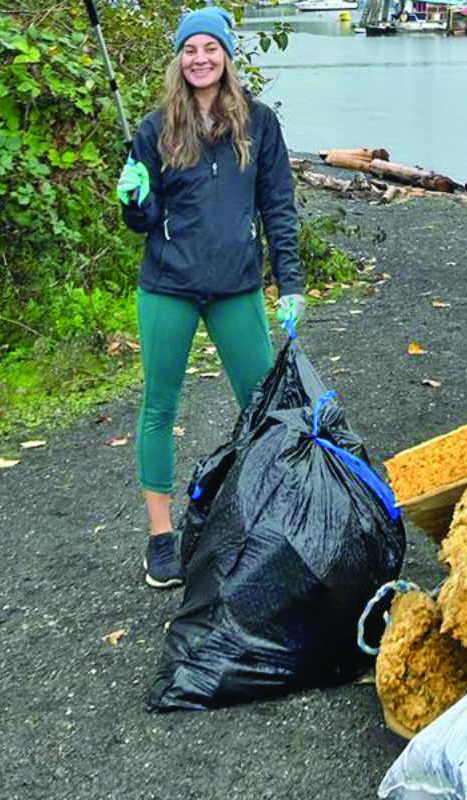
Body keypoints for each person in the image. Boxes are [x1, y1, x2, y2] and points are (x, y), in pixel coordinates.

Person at [114, 7, 304, 589]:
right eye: (190, 49)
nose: (200, 58)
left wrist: (290, 282)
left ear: (226, 56)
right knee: (158, 408)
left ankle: (269, 516)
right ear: (179, 59)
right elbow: (142, 220)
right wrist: (133, 198)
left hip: (236, 286)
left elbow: (277, 207)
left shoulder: (260, 124)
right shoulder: (154, 129)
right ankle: (161, 538)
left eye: (210, 48)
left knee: (263, 406)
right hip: (168, 286)